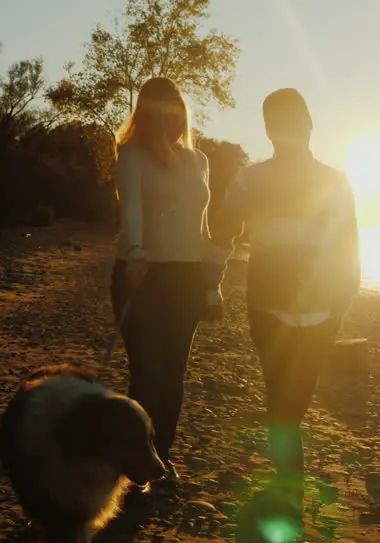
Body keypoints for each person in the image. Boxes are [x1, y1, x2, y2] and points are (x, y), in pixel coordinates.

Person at [210, 88, 361, 492]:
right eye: (283, 125)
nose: (294, 132)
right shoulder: (252, 178)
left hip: (322, 309)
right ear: (270, 131)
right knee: (280, 391)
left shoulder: (335, 181)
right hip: (268, 304)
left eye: (299, 123)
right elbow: (224, 228)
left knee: (296, 394)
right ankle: (289, 480)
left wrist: (344, 297)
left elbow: (348, 241)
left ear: (310, 126)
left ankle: (285, 470)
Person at [108, 76, 217, 482]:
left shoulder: (199, 160)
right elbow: (131, 211)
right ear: (145, 116)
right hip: (142, 274)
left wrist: (213, 278)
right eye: (160, 115)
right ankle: (136, 457)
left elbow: (201, 227)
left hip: (186, 276)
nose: (170, 122)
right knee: (148, 371)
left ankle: (162, 453)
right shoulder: (132, 155)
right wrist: (136, 253)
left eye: (176, 114)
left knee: (174, 372)